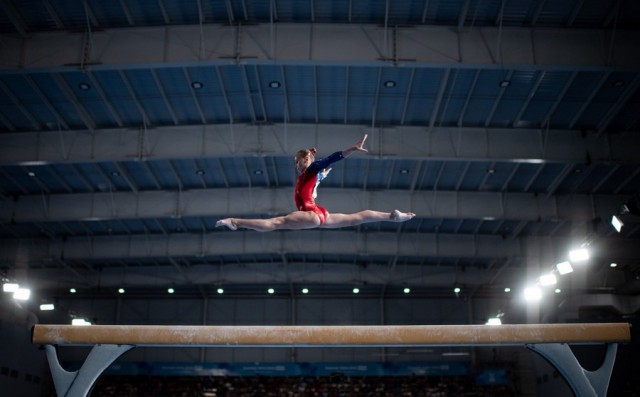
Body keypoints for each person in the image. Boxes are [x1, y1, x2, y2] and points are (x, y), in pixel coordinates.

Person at [215, 134, 415, 231]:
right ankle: (393, 217)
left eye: (296, 162)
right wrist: (320, 178)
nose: (295, 166)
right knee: (356, 218)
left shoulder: (311, 169)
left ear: (304, 160)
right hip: (320, 213)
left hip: (311, 214)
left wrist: (351, 149)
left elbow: (330, 159)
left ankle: (235, 221)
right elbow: (313, 186)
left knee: (277, 223)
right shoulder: (309, 176)